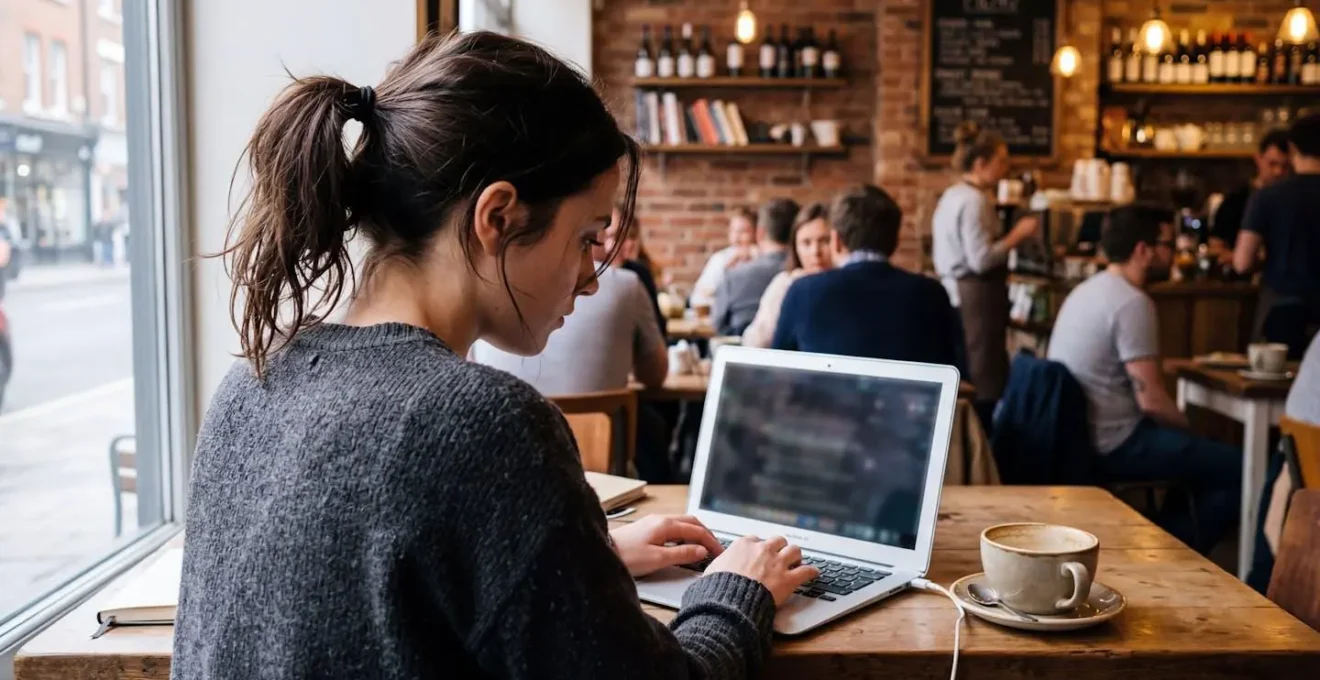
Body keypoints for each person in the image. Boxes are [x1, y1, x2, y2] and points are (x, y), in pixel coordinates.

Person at [174, 32, 817, 680]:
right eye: (588, 238)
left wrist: (585, 563)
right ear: (499, 216)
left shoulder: (251, 382)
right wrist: (737, 591)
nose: (592, 279)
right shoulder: (480, 420)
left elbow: (357, 604)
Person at [1049, 205, 1240, 555]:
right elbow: (1151, 400)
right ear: (1143, 250)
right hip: (1116, 443)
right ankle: (1174, 551)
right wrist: (1190, 428)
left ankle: (1162, 539)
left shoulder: (1087, 291)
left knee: (1201, 459)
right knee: (1237, 466)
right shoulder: (1132, 302)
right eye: (1167, 244)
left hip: (1078, 438)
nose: (1173, 253)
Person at [471, 233, 672, 480]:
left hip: (500, 471)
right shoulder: (627, 284)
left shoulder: (480, 288)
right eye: (588, 238)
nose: (592, 285)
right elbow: (655, 376)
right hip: (605, 472)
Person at [771, 184, 960, 366]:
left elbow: (779, 370)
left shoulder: (802, 291)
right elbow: (957, 374)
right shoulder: (933, 294)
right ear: (895, 241)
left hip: (823, 399)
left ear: (835, 240)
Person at [931, 121, 1040, 403]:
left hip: (956, 293)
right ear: (981, 163)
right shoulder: (974, 201)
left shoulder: (952, 195)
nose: (1006, 167)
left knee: (968, 368)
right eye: (1001, 161)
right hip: (975, 296)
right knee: (984, 376)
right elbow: (980, 260)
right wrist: (1018, 234)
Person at [1234, 113, 1320, 358]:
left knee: (1273, 389)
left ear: (1292, 149)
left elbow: (1242, 262)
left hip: (1282, 309)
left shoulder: (1268, 196)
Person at [742, 202, 833, 348]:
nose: (815, 252)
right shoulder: (785, 282)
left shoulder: (850, 284)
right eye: (806, 243)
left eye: (824, 241)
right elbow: (755, 341)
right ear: (795, 248)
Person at [712, 198, 799, 337]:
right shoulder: (806, 277)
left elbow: (718, 324)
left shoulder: (733, 274)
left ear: (759, 233)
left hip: (741, 353)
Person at [1211, 130, 1291, 252]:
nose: (1278, 171)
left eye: (1285, 166)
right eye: (1272, 164)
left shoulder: (1294, 202)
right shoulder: (1235, 200)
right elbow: (1216, 244)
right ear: (1258, 159)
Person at [603, 202, 666, 335]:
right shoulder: (585, 278)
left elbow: (658, 329)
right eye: (615, 235)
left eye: (631, 236)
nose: (629, 244)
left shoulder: (639, 274)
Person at [689, 208, 756, 309]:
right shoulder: (720, 259)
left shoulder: (762, 260)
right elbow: (697, 298)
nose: (736, 237)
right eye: (733, 231)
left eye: (743, 231)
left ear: (756, 233)